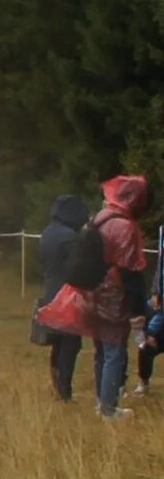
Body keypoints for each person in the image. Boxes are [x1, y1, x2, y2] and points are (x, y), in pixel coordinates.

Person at [86, 176, 154, 420]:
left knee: (101, 351)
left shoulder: (100, 217)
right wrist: (138, 310)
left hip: (92, 293)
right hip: (113, 295)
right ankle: (108, 408)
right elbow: (130, 270)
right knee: (114, 351)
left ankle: (101, 402)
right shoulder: (125, 225)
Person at [37, 194, 91, 401]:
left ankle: (57, 386)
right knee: (70, 343)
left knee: (57, 342)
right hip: (66, 296)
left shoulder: (48, 232)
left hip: (50, 292)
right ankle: (64, 390)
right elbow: (77, 266)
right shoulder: (69, 236)